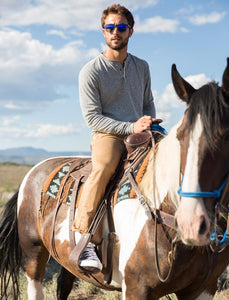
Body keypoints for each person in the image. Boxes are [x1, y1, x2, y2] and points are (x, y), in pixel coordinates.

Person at [72, 4, 156, 273]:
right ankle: (84, 239)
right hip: (108, 134)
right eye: (110, 27)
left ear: (131, 31)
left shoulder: (141, 66)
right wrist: (131, 127)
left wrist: (148, 123)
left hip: (140, 132)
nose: (115, 32)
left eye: (121, 27)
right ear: (103, 31)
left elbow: (148, 103)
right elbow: (93, 119)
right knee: (105, 167)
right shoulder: (91, 71)